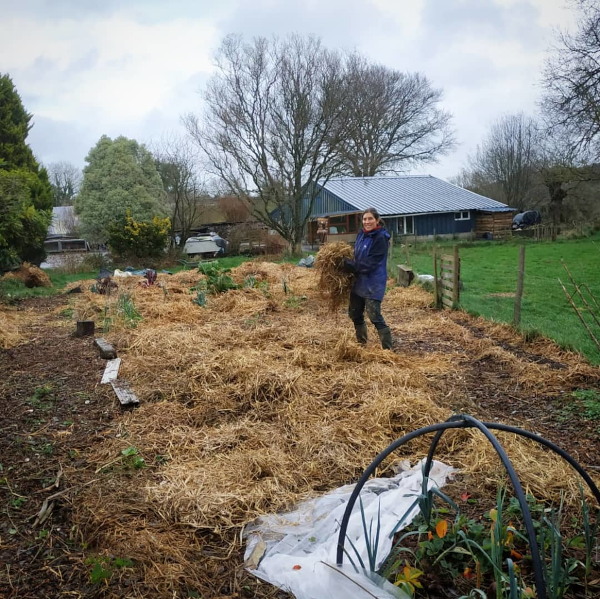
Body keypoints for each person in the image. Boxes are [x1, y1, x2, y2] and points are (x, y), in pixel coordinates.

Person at [343, 208, 393, 349]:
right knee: (355, 313)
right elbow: (356, 255)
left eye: (370, 218)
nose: (367, 222)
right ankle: (362, 344)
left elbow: (370, 263)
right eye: (364, 219)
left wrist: (350, 266)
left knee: (374, 316)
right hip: (359, 281)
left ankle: (388, 350)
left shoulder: (380, 238)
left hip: (373, 282)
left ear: (377, 220)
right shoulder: (361, 235)